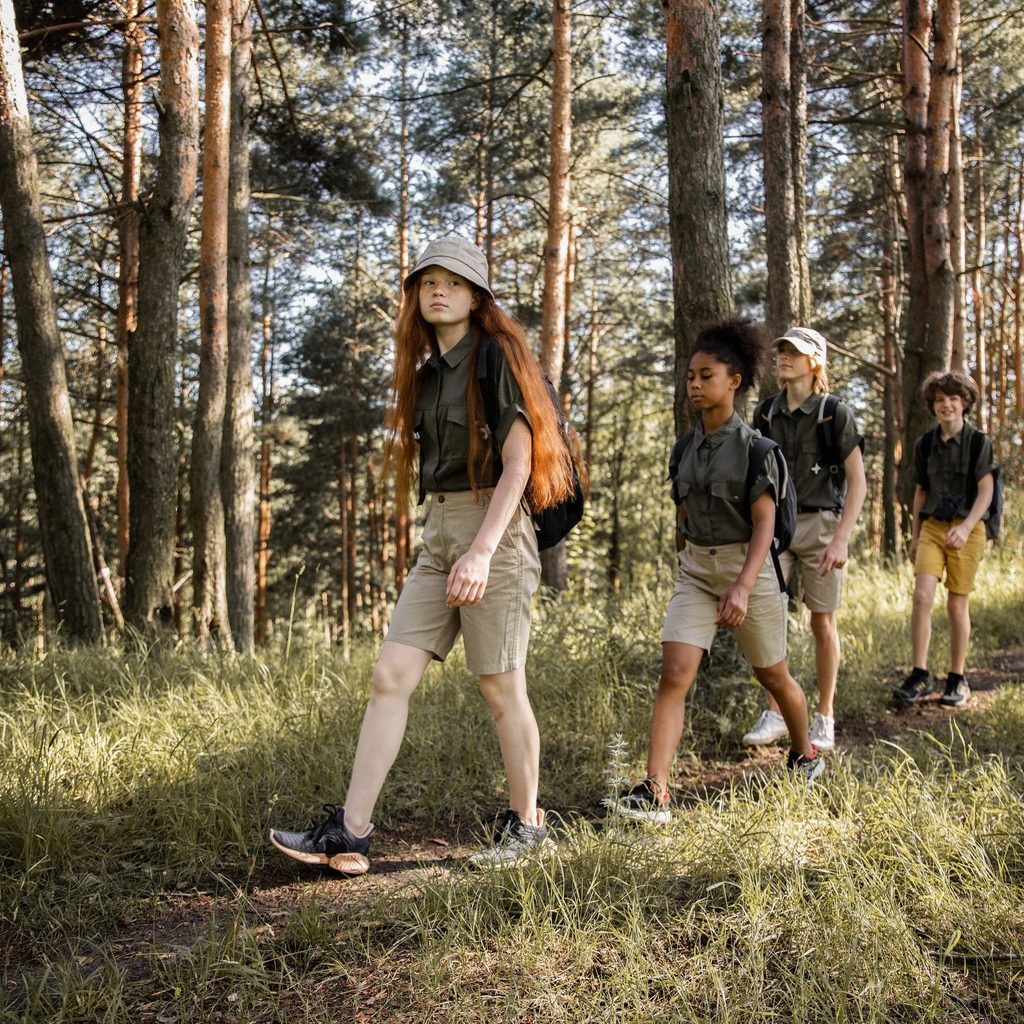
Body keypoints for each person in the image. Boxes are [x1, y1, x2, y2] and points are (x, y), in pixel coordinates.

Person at [270, 236, 577, 872]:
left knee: (500, 687)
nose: (438, 290)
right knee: (390, 677)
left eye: (454, 282)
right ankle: (350, 834)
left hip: (494, 528)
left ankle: (526, 828)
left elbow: (521, 463)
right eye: (428, 280)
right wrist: (452, 547)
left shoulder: (498, 358)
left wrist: (482, 552)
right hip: (440, 533)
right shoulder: (426, 371)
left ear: (476, 297)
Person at [616, 318, 825, 824]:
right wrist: (694, 566)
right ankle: (656, 791)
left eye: (706, 375)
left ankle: (805, 753)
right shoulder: (684, 449)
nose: (694, 384)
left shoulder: (758, 450)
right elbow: (683, 515)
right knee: (674, 673)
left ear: (734, 381)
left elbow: (764, 526)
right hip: (696, 572)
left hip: (747, 570)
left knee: (772, 674)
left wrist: (741, 586)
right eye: (690, 375)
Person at [741, 328, 866, 752]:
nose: (783, 358)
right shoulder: (765, 413)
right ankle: (775, 711)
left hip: (822, 527)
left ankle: (824, 716)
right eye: (781, 351)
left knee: (821, 622)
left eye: (793, 352)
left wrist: (841, 540)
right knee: (767, 617)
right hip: (776, 529)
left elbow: (858, 483)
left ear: (814, 362)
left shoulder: (834, 413)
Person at [892, 370, 995, 709]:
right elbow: (921, 491)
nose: (946, 405)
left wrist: (965, 528)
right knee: (922, 596)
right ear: (933, 405)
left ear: (964, 404)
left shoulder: (978, 442)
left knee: (955, 603)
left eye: (953, 399)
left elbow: (986, 491)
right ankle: (919, 674)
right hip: (933, 528)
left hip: (968, 529)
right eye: (940, 400)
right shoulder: (925, 444)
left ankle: (957, 678)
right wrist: (915, 536)